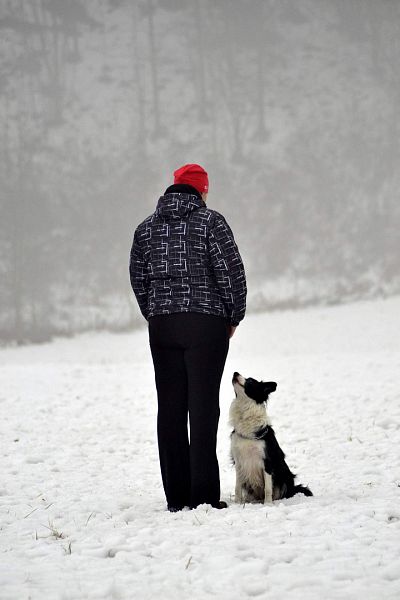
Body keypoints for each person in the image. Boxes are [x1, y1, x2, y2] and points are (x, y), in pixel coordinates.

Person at [129, 163, 246, 511]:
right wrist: (233, 315)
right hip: (206, 325)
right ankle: (204, 496)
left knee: (171, 409)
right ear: (202, 190)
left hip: (163, 326)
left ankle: (176, 498)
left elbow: (139, 278)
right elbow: (231, 272)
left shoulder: (145, 229)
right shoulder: (211, 222)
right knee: (203, 408)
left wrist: (156, 313)